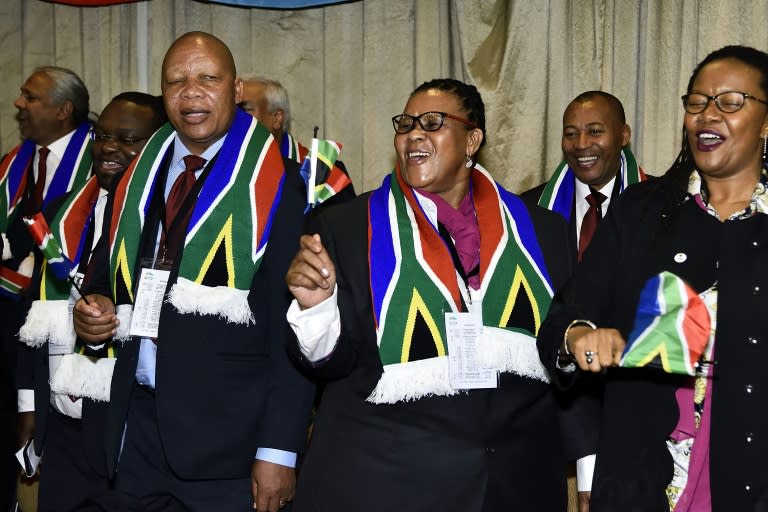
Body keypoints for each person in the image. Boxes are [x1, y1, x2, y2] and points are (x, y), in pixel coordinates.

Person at [285, 78, 571, 511]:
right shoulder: (345, 228)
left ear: (473, 139)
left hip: (513, 486)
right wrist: (317, 307)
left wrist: (588, 463)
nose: (413, 133)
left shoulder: (542, 233)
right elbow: (334, 365)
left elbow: (565, 356)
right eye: (405, 124)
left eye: (433, 122)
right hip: (389, 483)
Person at [72, 32, 315, 512]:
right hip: (134, 428)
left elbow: (294, 326)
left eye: (208, 78)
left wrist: (278, 449)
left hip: (230, 446)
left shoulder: (277, 183)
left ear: (236, 89)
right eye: (176, 81)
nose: (191, 93)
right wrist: (92, 316)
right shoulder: (138, 174)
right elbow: (103, 277)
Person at [538, 45, 768, 511]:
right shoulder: (640, 213)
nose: (707, 115)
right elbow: (564, 319)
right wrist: (578, 337)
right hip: (644, 482)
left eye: (729, 103)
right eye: (697, 102)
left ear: (766, 123)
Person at [15, 92, 166, 512]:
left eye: (127, 139)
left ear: (157, 147)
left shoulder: (165, 220)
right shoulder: (64, 211)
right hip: (61, 423)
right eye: (101, 136)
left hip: (126, 427)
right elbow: (35, 316)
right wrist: (28, 404)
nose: (109, 148)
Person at [521, 90, 648, 507]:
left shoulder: (662, 208)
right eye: (571, 133)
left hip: (624, 401)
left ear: (624, 135)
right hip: (543, 396)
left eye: (595, 131)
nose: (581, 145)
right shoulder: (525, 211)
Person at [0, 66, 92, 510]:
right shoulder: (17, 161)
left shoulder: (98, 161)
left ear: (63, 110)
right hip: (8, 309)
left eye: (30, 97)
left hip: (64, 320)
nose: (19, 103)